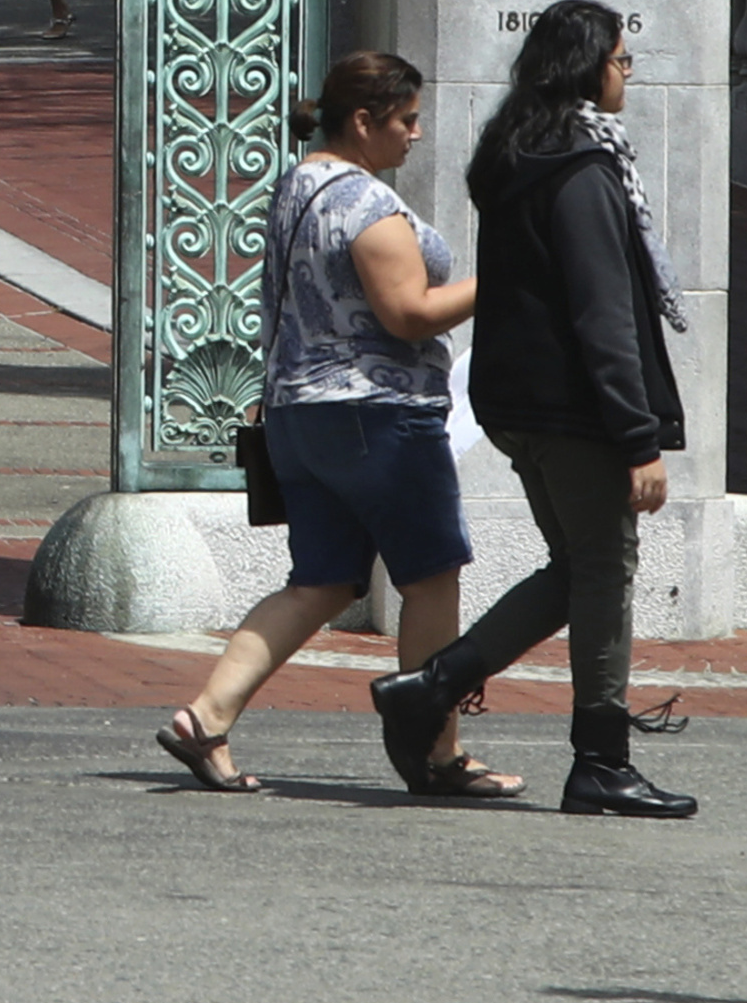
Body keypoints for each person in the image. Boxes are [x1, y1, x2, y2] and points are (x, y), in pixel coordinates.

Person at [373, 0, 701, 819]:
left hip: (518, 399)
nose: (627, 73)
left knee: (578, 567)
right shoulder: (583, 169)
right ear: (589, 66)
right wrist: (637, 438)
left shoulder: (517, 149)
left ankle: (434, 685)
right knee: (604, 569)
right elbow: (602, 314)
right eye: (622, 61)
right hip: (572, 407)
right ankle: (600, 759)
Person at [157, 51, 509, 799]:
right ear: (363, 120)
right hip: (376, 415)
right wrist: (504, 281)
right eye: (406, 120)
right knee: (430, 577)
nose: (416, 134)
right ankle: (436, 750)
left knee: (320, 581)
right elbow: (408, 312)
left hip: (296, 413)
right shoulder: (364, 203)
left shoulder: (298, 185)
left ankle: (205, 715)